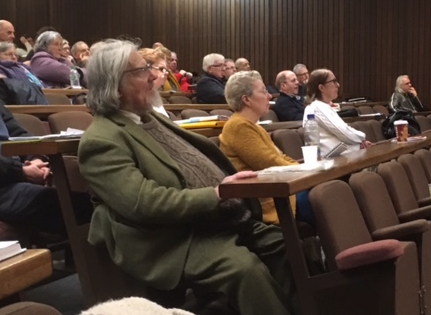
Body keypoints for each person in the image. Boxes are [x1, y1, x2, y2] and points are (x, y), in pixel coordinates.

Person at [78, 39, 297, 315]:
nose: (154, 76)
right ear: (114, 83)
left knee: (285, 245)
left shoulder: (152, 119)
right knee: (245, 270)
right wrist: (216, 194)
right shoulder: (101, 139)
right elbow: (142, 203)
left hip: (214, 220)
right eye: (141, 71)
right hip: (170, 238)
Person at [0, 27, 88, 234]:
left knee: (88, 197)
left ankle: (87, 262)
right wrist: (20, 171)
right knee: (80, 206)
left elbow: (17, 132)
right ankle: (92, 264)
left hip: (5, 180)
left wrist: (35, 156)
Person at [219, 70, 299, 225]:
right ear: (246, 99)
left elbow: (281, 157)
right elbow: (270, 163)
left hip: (281, 190)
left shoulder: (254, 126)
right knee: (327, 194)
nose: (269, 96)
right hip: (270, 198)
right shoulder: (238, 126)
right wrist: (306, 171)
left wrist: (305, 168)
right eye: (263, 91)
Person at [303, 68, 370, 156]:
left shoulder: (324, 106)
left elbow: (346, 128)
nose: (338, 85)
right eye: (333, 81)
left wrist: (361, 141)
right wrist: (362, 138)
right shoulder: (317, 108)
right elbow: (343, 133)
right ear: (321, 87)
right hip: (331, 162)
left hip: (344, 157)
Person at [137, 48, 170, 118]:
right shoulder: (138, 97)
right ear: (146, 69)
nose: (166, 72)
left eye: (166, 69)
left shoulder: (154, 92)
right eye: (161, 69)